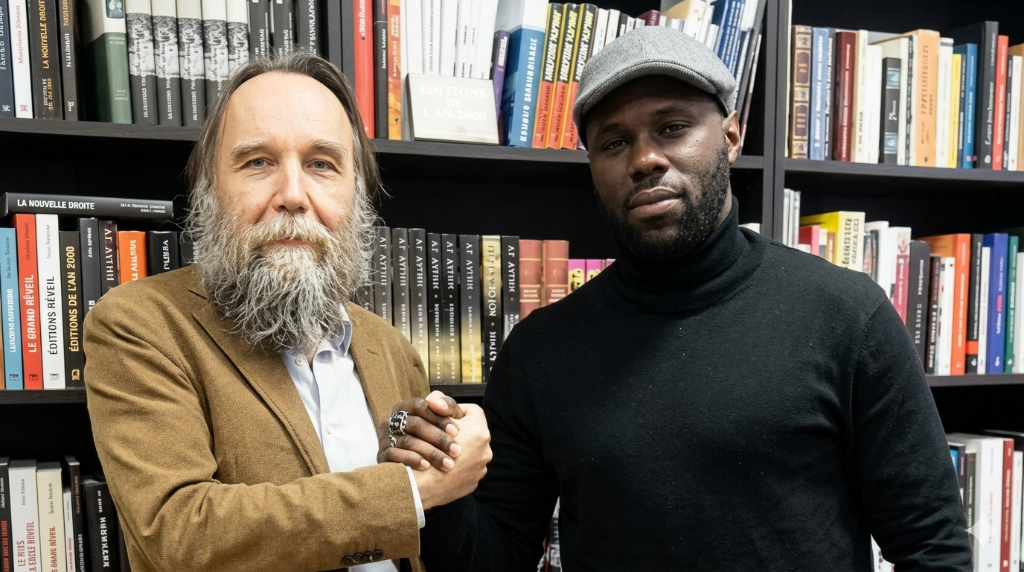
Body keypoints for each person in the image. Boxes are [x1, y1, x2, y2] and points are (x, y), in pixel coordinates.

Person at [381, 26, 972, 570]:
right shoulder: (541, 349)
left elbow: (932, 547)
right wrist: (433, 483)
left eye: (672, 128)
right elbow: (497, 556)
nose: (644, 160)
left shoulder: (846, 315)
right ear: (592, 166)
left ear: (731, 136)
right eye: (615, 142)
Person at [83, 51, 491, 572]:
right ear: (209, 189)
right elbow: (178, 534)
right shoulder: (138, 325)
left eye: (321, 164)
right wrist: (413, 490)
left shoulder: (391, 347)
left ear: (357, 194)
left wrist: (448, 456)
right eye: (258, 162)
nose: (294, 195)